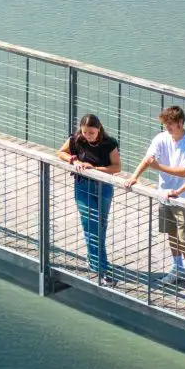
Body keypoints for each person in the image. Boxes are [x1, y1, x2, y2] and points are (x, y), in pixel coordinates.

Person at [124, 105, 185, 286]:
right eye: (165, 123)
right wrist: (135, 176)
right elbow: (148, 159)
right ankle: (177, 268)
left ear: (180, 122)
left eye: (170, 123)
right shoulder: (161, 138)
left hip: (183, 197)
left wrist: (158, 167)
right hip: (164, 194)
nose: (167, 127)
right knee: (171, 233)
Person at [58, 113, 121, 280]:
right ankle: (101, 268)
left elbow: (116, 167)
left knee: (100, 225)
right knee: (91, 224)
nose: (88, 136)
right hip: (82, 186)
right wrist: (74, 161)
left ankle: (94, 259)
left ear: (99, 129)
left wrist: (94, 169)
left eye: (91, 133)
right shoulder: (76, 139)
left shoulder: (109, 143)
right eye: (85, 132)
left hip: (104, 187)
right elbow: (61, 152)